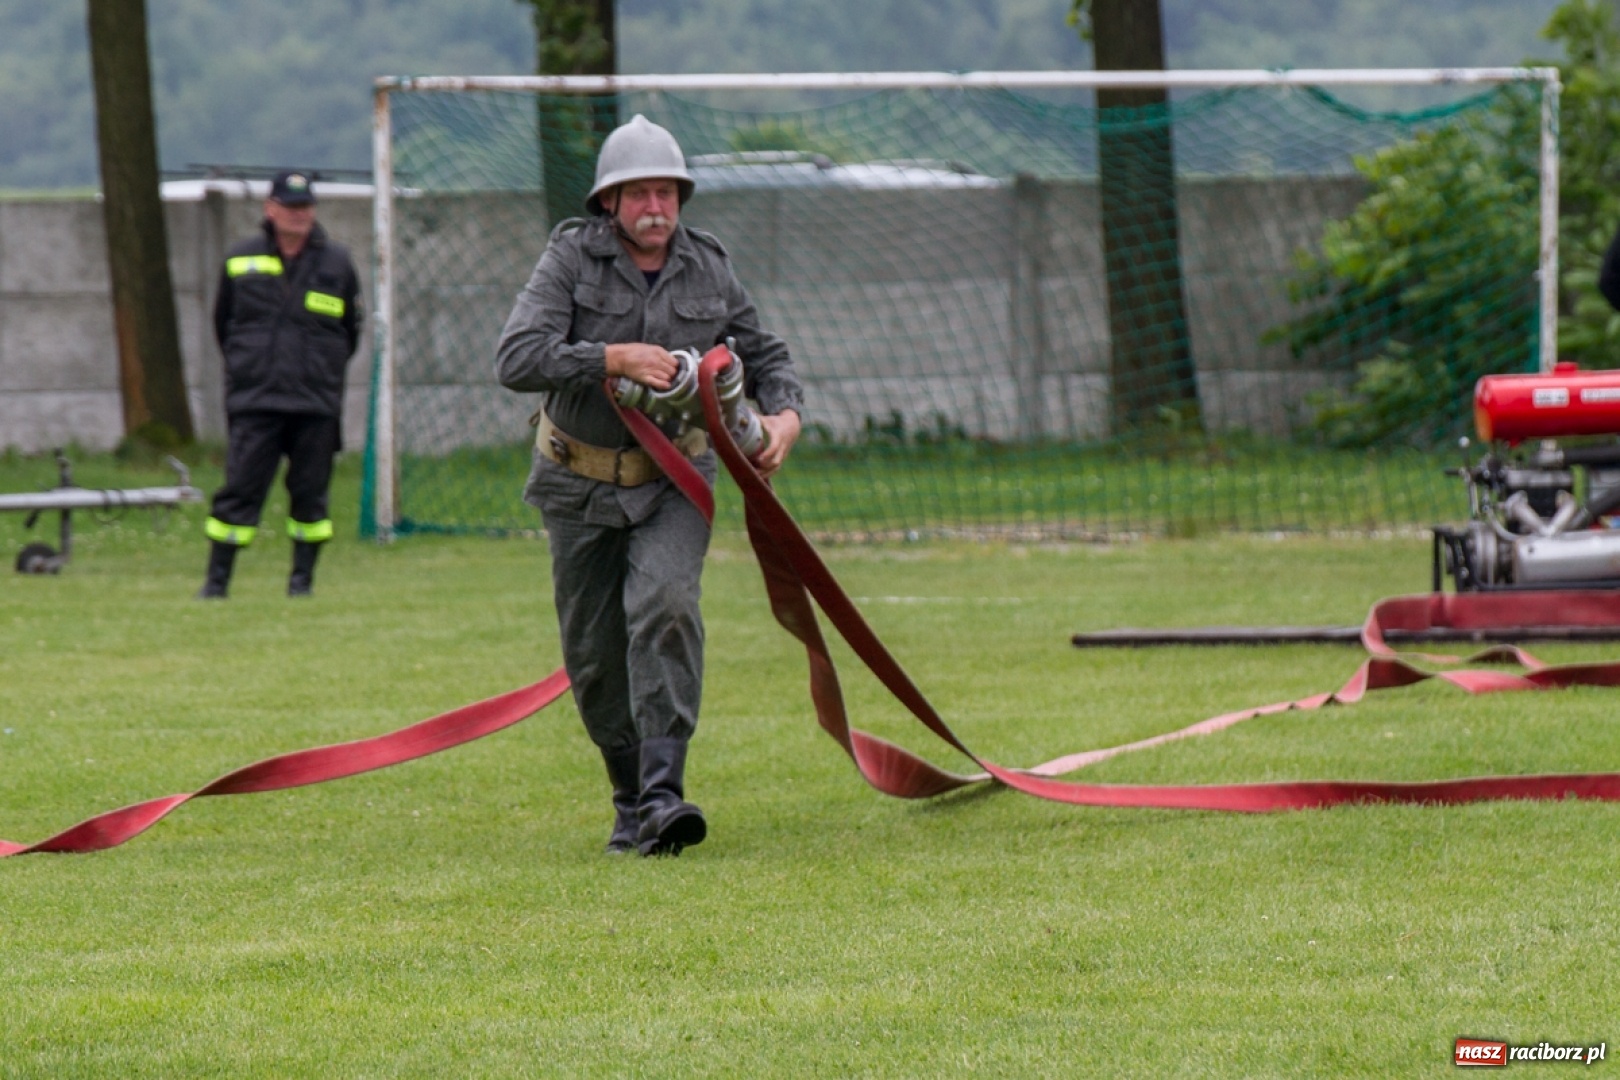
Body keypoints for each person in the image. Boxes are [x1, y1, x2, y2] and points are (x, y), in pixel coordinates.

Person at [495, 115, 804, 856]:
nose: (655, 207)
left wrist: (787, 414)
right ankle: (630, 800)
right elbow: (516, 359)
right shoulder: (569, 259)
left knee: (665, 606)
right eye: (638, 194)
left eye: (666, 191)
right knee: (596, 654)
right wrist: (612, 358)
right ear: (610, 201)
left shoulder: (710, 266)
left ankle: (667, 795)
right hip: (576, 484)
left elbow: (764, 352)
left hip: (675, 480)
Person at [198, 169, 363, 599]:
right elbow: (223, 324)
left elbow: (351, 331)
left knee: (310, 496)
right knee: (238, 491)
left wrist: (319, 372)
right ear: (270, 209)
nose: (298, 215)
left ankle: (301, 583)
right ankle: (217, 584)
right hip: (256, 400)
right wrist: (250, 367)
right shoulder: (240, 257)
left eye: (305, 206)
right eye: (290, 207)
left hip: (315, 403)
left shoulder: (337, 263)